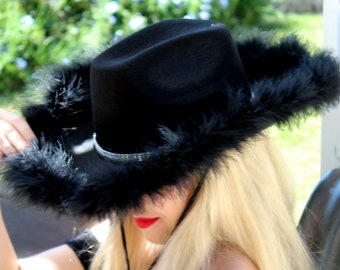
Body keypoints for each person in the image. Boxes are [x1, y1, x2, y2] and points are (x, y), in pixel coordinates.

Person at [0, 18, 340, 270]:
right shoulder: (144, 238)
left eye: (157, 178)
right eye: (122, 179)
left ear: (223, 171)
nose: (136, 203)